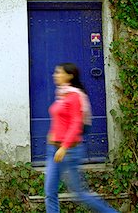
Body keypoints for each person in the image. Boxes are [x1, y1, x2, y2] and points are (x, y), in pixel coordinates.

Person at [44, 62, 119, 213]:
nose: (55, 75)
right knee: (50, 192)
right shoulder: (61, 94)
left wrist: (64, 147)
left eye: (59, 72)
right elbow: (62, 120)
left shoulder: (74, 96)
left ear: (69, 76)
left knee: (79, 193)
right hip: (54, 149)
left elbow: (75, 124)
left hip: (69, 151)